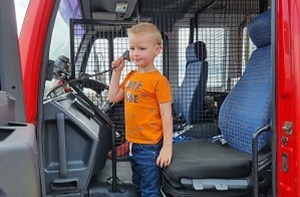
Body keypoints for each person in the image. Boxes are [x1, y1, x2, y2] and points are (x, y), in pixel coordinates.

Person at [108, 22, 173, 196]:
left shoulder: (159, 81)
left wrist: (167, 146)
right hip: (133, 144)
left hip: (150, 147)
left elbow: (166, 115)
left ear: (157, 50)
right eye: (132, 48)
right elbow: (113, 97)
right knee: (137, 185)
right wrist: (117, 72)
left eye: (142, 48)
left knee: (150, 190)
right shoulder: (131, 76)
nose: (135, 53)